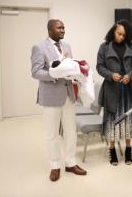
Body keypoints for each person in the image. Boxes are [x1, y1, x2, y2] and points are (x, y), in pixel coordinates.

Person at [31, 19, 87, 182]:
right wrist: (54, 74)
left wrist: (77, 73)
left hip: (68, 95)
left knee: (71, 132)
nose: (63, 30)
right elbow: (36, 72)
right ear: (50, 29)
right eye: (59, 28)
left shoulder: (67, 46)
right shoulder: (39, 48)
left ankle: (70, 163)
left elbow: (70, 66)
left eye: (64, 27)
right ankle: (55, 165)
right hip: (50, 97)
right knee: (52, 134)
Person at [96, 19, 132, 166]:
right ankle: (112, 149)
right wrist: (110, 75)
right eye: (119, 34)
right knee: (112, 122)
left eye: (124, 35)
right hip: (112, 89)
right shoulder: (104, 47)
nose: (121, 37)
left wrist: (130, 75)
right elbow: (99, 66)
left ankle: (128, 148)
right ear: (113, 31)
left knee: (128, 120)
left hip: (129, 89)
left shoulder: (131, 46)